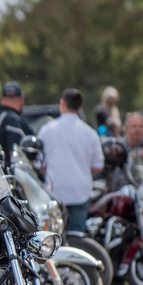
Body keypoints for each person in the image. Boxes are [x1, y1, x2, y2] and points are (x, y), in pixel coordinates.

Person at [40, 88, 104, 233]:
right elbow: (98, 166)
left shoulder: (47, 130)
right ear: (80, 107)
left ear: (62, 103)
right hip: (80, 190)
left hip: (55, 190)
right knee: (77, 235)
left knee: (55, 236)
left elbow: (40, 164)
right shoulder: (90, 133)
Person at [0, 81, 33, 169]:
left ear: (2, 98)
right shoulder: (12, 120)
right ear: (21, 98)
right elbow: (18, 155)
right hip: (10, 178)